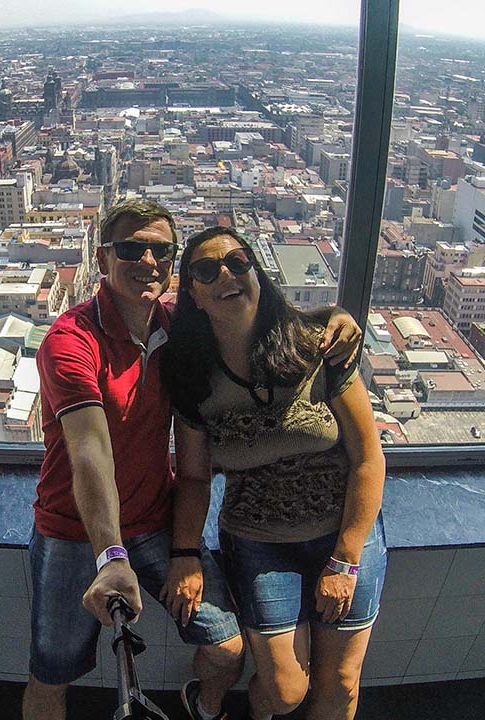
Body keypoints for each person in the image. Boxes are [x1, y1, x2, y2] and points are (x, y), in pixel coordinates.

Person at [23, 200, 361, 720]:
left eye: (162, 250)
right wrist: (110, 556)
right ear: (101, 258)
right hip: (75, 528)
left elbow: (249, 314)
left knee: (226, 645)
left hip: (155, 518)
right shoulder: (71, 342)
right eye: (132, 249)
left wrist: (331, 318)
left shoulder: (174, 326)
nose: (149, 261)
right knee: (53, 674)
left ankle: (205, 707)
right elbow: (89, 451)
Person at [163, 226, 387, 720]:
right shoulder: (194, 377)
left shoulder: (316, 347)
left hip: (343, 531)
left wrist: (346, 560)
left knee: (341, 684)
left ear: (256, 273)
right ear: (194, 296)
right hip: (258, 536)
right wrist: (185, 553)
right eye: (206, 269)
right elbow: (196, 478)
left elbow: (369, 457)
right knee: (286, 689)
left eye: (238, 262)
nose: (226, 274)